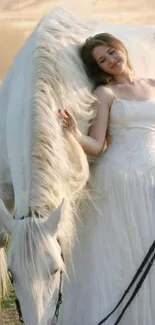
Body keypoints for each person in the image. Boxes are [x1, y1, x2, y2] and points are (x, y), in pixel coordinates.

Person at [59, 33, 155, 325]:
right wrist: (75, 132)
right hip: (120, 180)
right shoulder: (105, 93)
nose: (111, 60)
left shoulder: (152, 84)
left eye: (112, 52)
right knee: (126, 252)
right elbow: (97, 144)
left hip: (151, 174)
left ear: (121, 48)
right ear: (99, 67)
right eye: (103, 60)